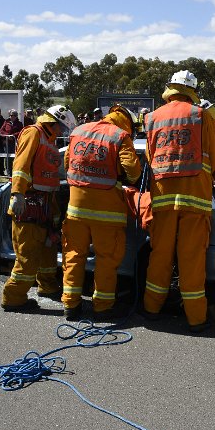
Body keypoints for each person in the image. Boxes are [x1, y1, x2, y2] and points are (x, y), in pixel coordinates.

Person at [142, 70, 215, 332]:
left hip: (162, 196)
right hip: (195, 197)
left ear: (170, 89)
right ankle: (196, 317)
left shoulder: (152, 117)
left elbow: (149, 154)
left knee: (161, 254)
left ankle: (152, 308)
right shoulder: (200, 115)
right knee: (191, 258)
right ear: (192, 91)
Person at [61, 105, 142, 320]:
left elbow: (67, 163)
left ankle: (71, 305)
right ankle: (103, 307)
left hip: (75, 208)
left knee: (73, 256)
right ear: (127, 122)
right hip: (107, 212)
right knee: (106, 259)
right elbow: (133, 172)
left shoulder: (78, 131)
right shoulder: (121, 136)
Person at [1, 105, 76, 313]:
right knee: (28, 254)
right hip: (29, 203)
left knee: (47, 250)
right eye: (61, 128)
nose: (62, 132)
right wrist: (17, 193)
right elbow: (21, 165)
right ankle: (14, 298)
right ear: (53, 123)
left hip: (45, 204)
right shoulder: (33, 133)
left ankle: (47, 287)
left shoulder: (50, 140)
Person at [0, 109, 23, 176]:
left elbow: (21, 132)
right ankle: (8, 172)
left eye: (14, 115)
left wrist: (13, 136)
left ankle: (14, 172)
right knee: (7, 158)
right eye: (11, 115)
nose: (12, 117)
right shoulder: (6, 122)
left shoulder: (19, 123)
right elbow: (1, 130)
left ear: (16, 116)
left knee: (14, 158)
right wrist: (7, 136)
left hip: (14, 143)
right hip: (6, 143)